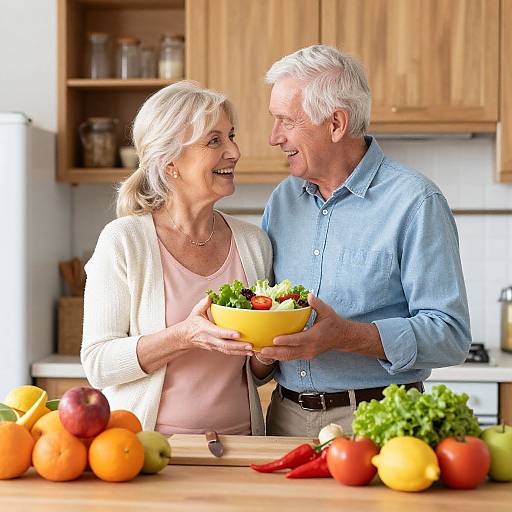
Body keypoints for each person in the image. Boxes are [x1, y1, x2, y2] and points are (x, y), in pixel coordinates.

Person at [257, 45, 471, 437]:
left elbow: (450, 336)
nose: (274, 137)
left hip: (377, 422)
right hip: (285, 419)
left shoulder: (415, 202)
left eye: (286, 121)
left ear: (336, 124)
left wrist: (347, 336)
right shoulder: (283, 200)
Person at [81, 81, 274, 435]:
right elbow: (98, 363)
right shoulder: (124, 241)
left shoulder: (253, 242)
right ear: (170, 161)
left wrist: (272, 344)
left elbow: (258, 374)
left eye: (232, 136)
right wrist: (184, 336)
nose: (234, 151)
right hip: (149, 450)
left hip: (243, 447)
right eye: (214, 140)